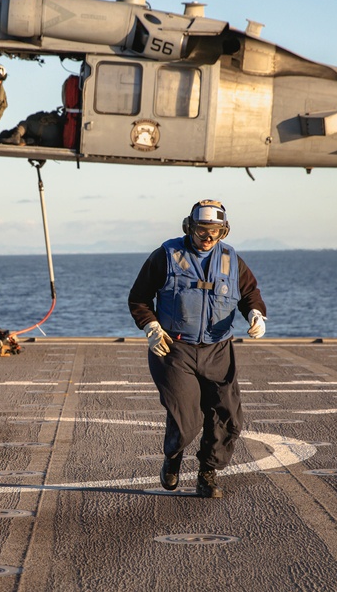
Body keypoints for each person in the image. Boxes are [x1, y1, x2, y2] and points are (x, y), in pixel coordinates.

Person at [127, 200, 268, 499]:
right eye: (202, 230)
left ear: (223, 232)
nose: (208, 237)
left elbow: (249, 294)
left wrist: (256, 313)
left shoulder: (231, 259)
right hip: (174, 350)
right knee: (186, 419)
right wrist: (151, 328)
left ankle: (207, 473)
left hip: (218, 349)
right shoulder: (165, 255)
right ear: (189, 227)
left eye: (215, 231)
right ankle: (174, 456)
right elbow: (139, 298)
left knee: (227, 415)